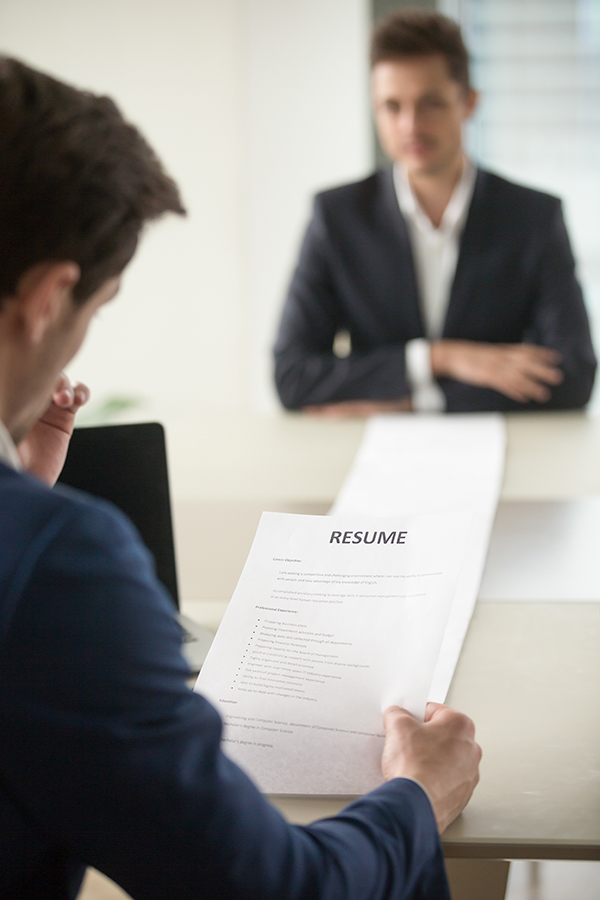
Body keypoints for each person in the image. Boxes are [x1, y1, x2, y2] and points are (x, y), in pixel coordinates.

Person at [0, 57, 481, 900]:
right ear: (48, 298)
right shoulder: (62, 562)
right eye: (96, 310)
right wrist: (417, 794)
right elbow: (276, 888)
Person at [274, 11, 597, 416]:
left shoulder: (534, 217)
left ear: (469, 103)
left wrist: (417, 400)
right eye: (392, 107)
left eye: (430, 104)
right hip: (376, 458)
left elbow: (575, 375)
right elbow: (292, 375)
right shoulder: (337, 217)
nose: (410, 126)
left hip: (505, 452)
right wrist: (439, 358)